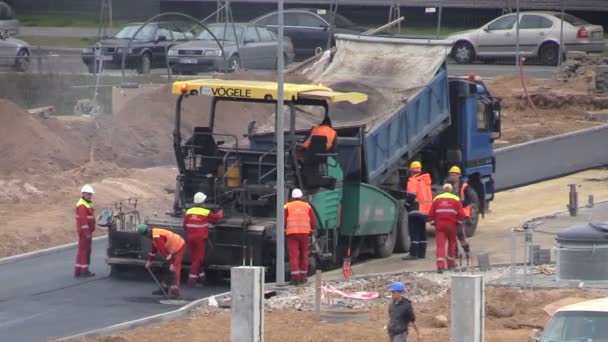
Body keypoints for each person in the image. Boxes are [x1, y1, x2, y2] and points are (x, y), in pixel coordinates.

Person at [184, 192, 224, 286]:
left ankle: (202, 278)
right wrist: (220, 212)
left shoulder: (189, 211)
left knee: (195, 258)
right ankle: (192, 280)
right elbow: (216, 218)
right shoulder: (205, 212)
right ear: (202, 202)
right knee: (198, 259)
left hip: (190, 238)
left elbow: (185, 225)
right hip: (200, 239)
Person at [139, 224, 186, 298]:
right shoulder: (153, 234)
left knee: (175, 268)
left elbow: (163, 251)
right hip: (172, 248)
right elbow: (153, 249)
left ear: (145, 234)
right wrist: (149, 261)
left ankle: (175, 291)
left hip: (179, 246)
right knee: (167, 268)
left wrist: (171, 263)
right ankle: (164, 288)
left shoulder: (156, 237)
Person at [428, 183, 465, 273]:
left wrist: (432, 221)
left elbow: (431, 214)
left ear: (443, 190)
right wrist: (459, 223)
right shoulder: (456, 199)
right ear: (451, 190)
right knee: (452, 244)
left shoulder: (437, 199)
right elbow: (461, 214)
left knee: (440, 245)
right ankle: (451, 264)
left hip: (440, 226)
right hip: (452, 226)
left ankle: (440, 266)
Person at [284, 188, 316, 285]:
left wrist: (285, 228)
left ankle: (295, 278)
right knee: (304, 255)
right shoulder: (307, 206)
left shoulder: (287, 206)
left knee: (294, 256)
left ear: (292, 197)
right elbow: (313, 221)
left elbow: (284, 220)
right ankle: (303, 278)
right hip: (305, 234)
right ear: (301, 196)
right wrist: (312, 230)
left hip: (292, 234)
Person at [446, 166, 473, 253]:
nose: (452, 177)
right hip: (452, 213)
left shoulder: (464, 186)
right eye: (451, 175)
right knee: (452, 233)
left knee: (460, 233)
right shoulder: (448, 185)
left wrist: (459, 205)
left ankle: (466, 249)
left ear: (458, 175)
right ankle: (455, 252)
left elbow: (469, 200)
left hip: (462, 213)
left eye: (453, 175)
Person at [75, 184, 96, 277]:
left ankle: (78, 270)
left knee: (81, 250)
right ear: (83, 194)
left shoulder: (86, 203)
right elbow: (83, 220)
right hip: (85, 232)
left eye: (90, 194)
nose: (89, 195)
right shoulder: (82, 205)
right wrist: (87, 233)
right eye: (88, 194)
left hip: (85, 232)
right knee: (85, 251)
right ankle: (84, 271)